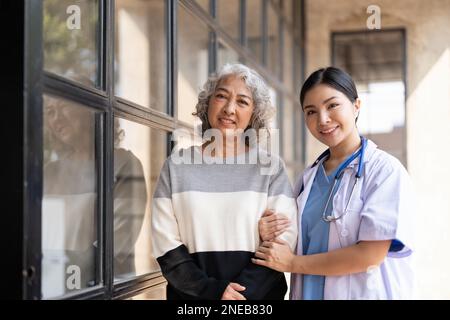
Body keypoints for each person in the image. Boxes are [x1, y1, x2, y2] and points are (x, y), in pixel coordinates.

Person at [253, 67, 414, 299]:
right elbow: (292, 237)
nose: (323, 119)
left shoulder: (384, 171)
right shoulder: (307, 179)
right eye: (311, 111)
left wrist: (293, 263)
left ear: (356, 105)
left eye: (332, 105)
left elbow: (370, 255)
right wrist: (268, 229)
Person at [151, 63, 298, 300]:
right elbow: (165, 244)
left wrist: (238, 296)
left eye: (242, 101)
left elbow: (284, 239)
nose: (229, 108)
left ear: (254, 114)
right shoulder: (176, 166)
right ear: (208, 103)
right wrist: (213, 292)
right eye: (221, 96)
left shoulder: (270, 167)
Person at [42, 95, 147, 297]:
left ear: (92, 111)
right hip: (52, 288)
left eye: (64, 107)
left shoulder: (123, 164)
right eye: (50, 112)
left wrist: (58, 267)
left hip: (98, 290)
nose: (56, 119)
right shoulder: (49, 171)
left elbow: (116, 245)